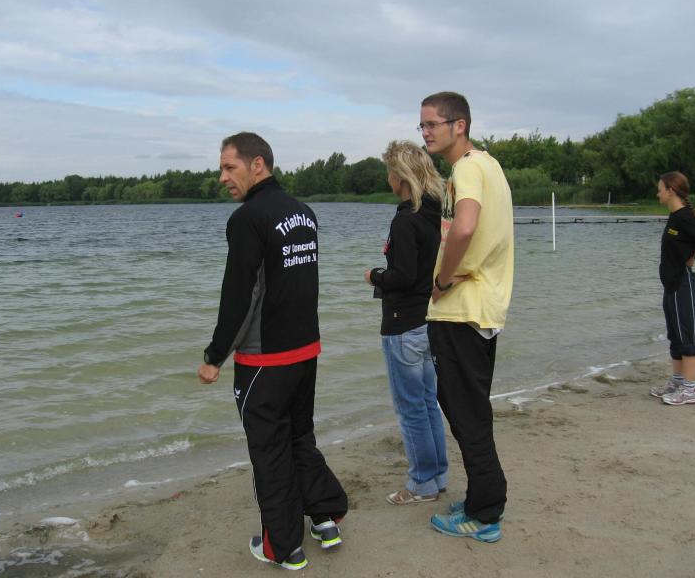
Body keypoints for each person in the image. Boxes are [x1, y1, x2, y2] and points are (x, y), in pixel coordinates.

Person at [197, 132, 347, 571]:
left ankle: (282, 547)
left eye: (230, 167)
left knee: (270, 452)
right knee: (299, 437)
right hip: (305, 350)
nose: (223, 177)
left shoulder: (248, 218)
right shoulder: (303, 212)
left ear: (257, 164)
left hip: (265, 359)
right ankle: (325, 517)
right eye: (222, 168)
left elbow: (238, 295)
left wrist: (214, 356)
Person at [419, 92, 514, 543]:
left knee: (466, 414)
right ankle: (483, 497)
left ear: (460, 125)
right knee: (469, 409)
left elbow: (465, 226)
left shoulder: (467, 168)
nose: (425, 132)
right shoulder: (490, 164)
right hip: (482, 307)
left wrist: (442, 279)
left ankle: (485, 512)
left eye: (433, 124)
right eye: (422, 125)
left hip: (463, 308)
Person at [364, 140, 448, 505]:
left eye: (390, 171)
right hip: (428, 321)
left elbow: (403, 275)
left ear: (401, 176)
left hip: (403, 326)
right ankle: (437, 474)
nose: (388, 178)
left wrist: (375, 276)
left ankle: (422, 483)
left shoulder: (405, 220)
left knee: (411, 409)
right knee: (427, 403)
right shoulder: (433, 214)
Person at [649, 171, 695, 405]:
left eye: (660, 189)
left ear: (670, 191)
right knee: (675, 335)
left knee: (687, 335)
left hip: (682, 283)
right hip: (671, 285)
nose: (657, 193)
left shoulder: (684, 218)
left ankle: (690, 390)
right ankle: (677, 381)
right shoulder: (674, 217)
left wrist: (692, 255)